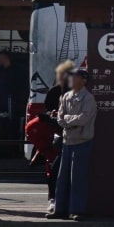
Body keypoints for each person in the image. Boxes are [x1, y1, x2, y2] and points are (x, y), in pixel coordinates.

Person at [52, 63, 97, 221]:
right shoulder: (65, 96)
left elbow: (83, 118)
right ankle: (60, 209)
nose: (70, 79)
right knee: (62, 177)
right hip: (67, 141)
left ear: (83, 80)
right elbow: (59, 118)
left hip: (82, 141)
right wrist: (70, 121)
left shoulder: (88, 98)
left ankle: (77, 210)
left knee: (78, 178)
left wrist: (67, 120)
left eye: (75, 76)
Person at [40, 60, 74, 209]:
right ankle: (53, 198)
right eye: (60, 75)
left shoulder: (76, 92)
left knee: (62, 168)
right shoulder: (54, 91)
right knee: (54, 167)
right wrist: (52, 115)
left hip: (71, 133)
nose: (62, 79)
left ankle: (62, 198)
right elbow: (46, 109)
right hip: (57, 133)